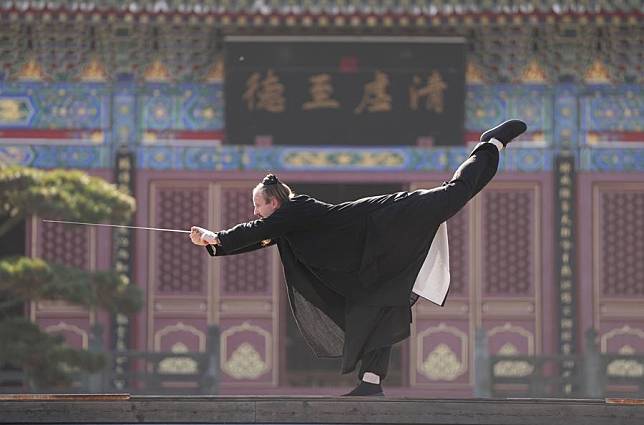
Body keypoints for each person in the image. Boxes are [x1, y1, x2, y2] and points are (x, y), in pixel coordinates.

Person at [190, 119, 527, 396]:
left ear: (273, 203)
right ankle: (371, 382)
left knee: (454, 193)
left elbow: (252, 231)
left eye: (258, 204)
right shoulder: (286, 224)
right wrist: (213, 244)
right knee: (376, 308)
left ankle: (490, 144)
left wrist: (217, 236)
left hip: (390, 218)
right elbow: (258, 237)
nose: (255, 211)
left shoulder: (297, 208)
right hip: (374, 255)